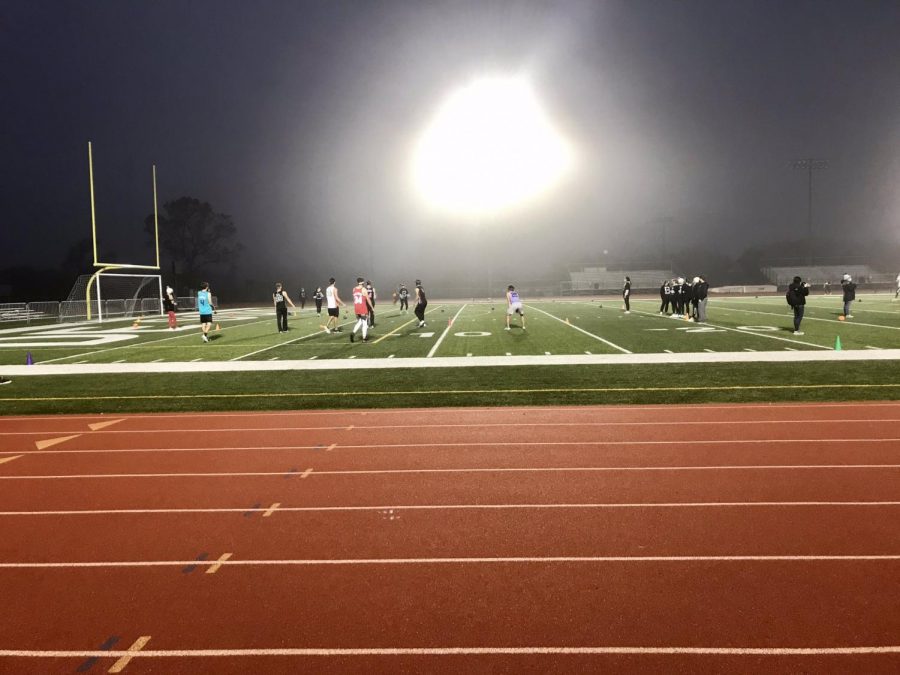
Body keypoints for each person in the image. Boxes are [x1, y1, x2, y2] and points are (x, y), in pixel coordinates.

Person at [349, 277, 373, 343]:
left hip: (356, 308)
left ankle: (353, 333)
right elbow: (368, 299)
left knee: (360, 321)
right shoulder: (364, 289)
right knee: (364, 323)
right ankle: (364, 339)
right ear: (362, 282)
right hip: (362, 307)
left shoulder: (354, 289)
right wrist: (372, 307)